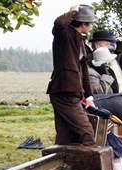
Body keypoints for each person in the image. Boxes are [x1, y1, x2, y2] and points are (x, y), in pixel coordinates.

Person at [46, 4, 96, 145]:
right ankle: (85, 167)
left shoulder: (80, 40)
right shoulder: (65, 33)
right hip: (65, 90)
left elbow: (83, 70)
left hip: (69, 91)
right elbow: (59, 23)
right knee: (87, 133)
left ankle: (64, 166)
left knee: (65, 136)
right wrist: (73, 12)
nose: (92, 26)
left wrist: (89, 97)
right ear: (84, 23)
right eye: (91, 23)